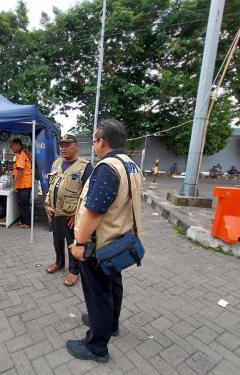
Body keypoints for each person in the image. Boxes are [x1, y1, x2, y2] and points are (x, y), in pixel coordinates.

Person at [67, 119, 143, 363]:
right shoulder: (131, 165)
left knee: (98, 293)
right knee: (113, 284)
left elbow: (94, 211)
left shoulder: (107, 167)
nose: (94, 144)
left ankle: (96, 346)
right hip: (120, 241)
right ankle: (110, 324)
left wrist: (79, 243)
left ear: (102, 141)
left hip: (101, 245)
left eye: (95, 140)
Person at [44, 134, 93, 287]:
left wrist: (78, 215)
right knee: (57, 240)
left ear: (76, 146)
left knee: (72, 242)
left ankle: (74, 270)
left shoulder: (85, 166)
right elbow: (50, 186)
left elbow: (88, 194)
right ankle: (59, 262)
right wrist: (46, 205)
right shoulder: (56, 163)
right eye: (61, 145)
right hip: (55, 212)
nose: (63, 148)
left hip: (71, 215)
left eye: (67, 144)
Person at [11, 138, 33, 229]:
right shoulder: (22, 154)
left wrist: (16, 184)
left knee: (24, 204)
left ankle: (27, 223)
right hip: (24, 183)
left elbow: (20, 170)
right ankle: (22, 221)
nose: (11, 148)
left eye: (12, 146)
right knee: (21, 204)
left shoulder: (21, 155)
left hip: (24, 184)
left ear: (17, 145)